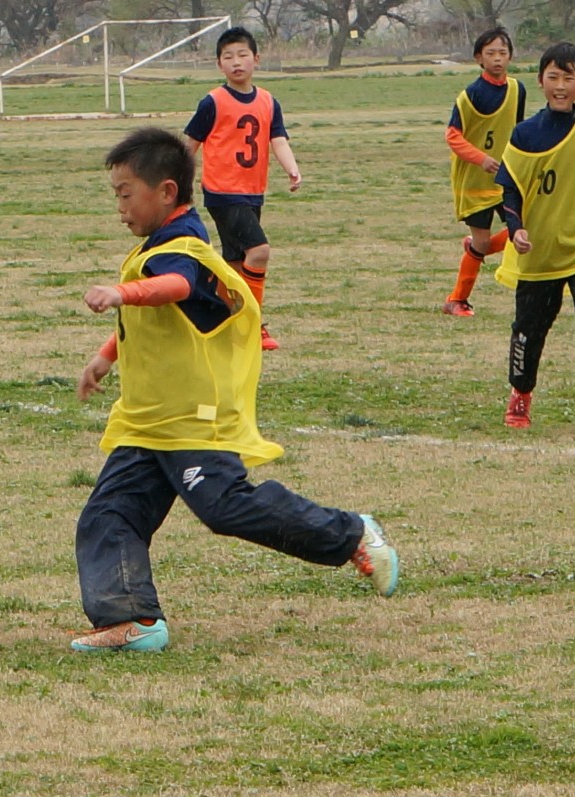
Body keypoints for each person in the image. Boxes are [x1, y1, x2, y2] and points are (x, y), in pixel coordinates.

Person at [70, 127, 398, 653]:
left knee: (223, 507)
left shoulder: (183, 249)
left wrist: (121, 292)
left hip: (191, 420)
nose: (120, 207)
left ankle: (351, 533)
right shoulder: (160, 245)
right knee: (110, 515)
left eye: (125, 194)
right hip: (150, 421)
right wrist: (107, 356)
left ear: (167, 192)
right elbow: (161, 316)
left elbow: (175, 288)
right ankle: (132, 619)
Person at [183, 26, 301, 351]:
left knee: (236, 263)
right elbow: (190, 144)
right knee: (259, 251)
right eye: (228, 57)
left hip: (252, 192)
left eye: (242, 55)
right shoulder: (213, 102)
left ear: (256, 59)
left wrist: (291, 168)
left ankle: (220, 320)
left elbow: (278, 139)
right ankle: (253, 325)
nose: (236, 62)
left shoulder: (268, 101)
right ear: (219, 64)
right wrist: (176, 180)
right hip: (223, 192)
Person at [493, 42, 575, 430]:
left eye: (569, 78)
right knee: (529, 329)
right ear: (541, 81)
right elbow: (509, 189)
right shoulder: (526, 134)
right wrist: (516, 228)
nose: (561, 86)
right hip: (539, 252)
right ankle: (520, 396)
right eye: (553, 77)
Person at [442, 27, 527, 317]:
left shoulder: (517, 90)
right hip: (473, 180)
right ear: (479, 58)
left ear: (510, 56)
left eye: (503, 53)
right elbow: (453, 136)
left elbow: (518, 131)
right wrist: (481, 159)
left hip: (506, 178)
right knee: (481, 240)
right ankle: (456, 300)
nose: (497, 59)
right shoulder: (471, 95)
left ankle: (478, 249)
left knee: (527, 226)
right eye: (491, 53)